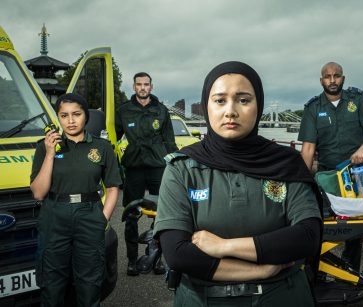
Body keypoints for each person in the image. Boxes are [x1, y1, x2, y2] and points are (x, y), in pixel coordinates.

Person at [154, 61, 322, 307]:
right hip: (202, 300)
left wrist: (222, 246)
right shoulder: (182, 168)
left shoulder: (286, 164)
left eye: (243, 100)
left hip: (283, 297)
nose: (230, 111)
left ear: (259, 106)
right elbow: (179, 255)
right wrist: (261, 271)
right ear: (206, 106)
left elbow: (307, 237)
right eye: (220, 100)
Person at [30, 93, 121, 307]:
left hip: (89, 215)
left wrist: (102, 219)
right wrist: (51, 153)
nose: (70, 121)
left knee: (90, 282)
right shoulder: (45, 147)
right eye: (64, 115)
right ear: (58, 118)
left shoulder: (102, 147)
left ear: (86, 116)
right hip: (54, 215)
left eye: (76, 114)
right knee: (52, 282)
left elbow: (113, 187)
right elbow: (38, 193)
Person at [298, 61, 363, 271]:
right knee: (321, 223)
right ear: (321, 80)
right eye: (328, 76)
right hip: (329, 175)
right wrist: (300, 182)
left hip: (359, 172)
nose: (332, 80)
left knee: (357, 225)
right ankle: (317, 269)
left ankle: (351, 270)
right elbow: (308, 150)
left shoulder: (358, 99)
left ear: (343, 78)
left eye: (337, 76)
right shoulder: (313, 108)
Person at [115, 72, 177, 276]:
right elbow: (112, 138)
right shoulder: (123, 111)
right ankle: (132, 260)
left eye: (146, 84)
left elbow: (169, 141)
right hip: (133, 167)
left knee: (161, 214)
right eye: (139, 84)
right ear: (134, 87)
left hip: (157, 166)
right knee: (132, 214)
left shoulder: (161, 110)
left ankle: (156, 258)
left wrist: (175, 165)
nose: (143, 88)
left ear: (151, 86)